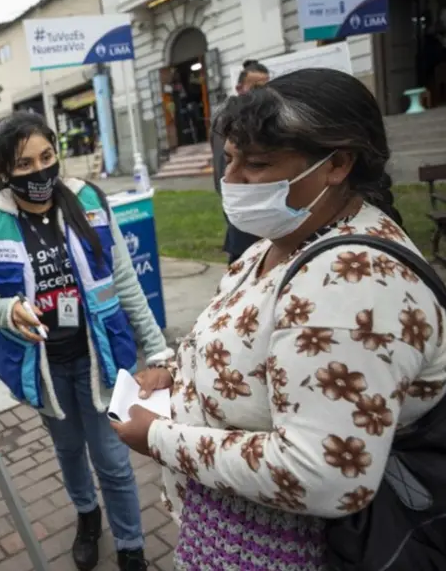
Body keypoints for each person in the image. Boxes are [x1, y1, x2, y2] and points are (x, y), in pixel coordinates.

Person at [111, 68, 446, 570]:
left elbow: (324, 474)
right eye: (229, 159)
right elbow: (243, 337)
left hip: (296, 549)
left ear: (338, 164)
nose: (231, 181)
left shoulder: (354, 287)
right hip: (230, 529)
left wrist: (158, 437)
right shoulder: (282, 241)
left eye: (258, 164)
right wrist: (178, 370)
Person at [0, 111, 173, 571]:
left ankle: (131, 545)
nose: (39, 171)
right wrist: (6, 310)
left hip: (100, 358)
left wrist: (157, 348)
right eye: (24, 165)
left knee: (113, 459)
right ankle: (87, 516)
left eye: (46, 156)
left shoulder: (89, 201)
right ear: (2, 172)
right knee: (68, 452)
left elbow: (124, 280)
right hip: (42, 368)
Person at [212, 59, 270, 264]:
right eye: (255, 87)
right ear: (239, 88)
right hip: (245, 229)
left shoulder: (265, 121)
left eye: (266, 87)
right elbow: (224, 173)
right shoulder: (227, 120)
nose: (262, 93)